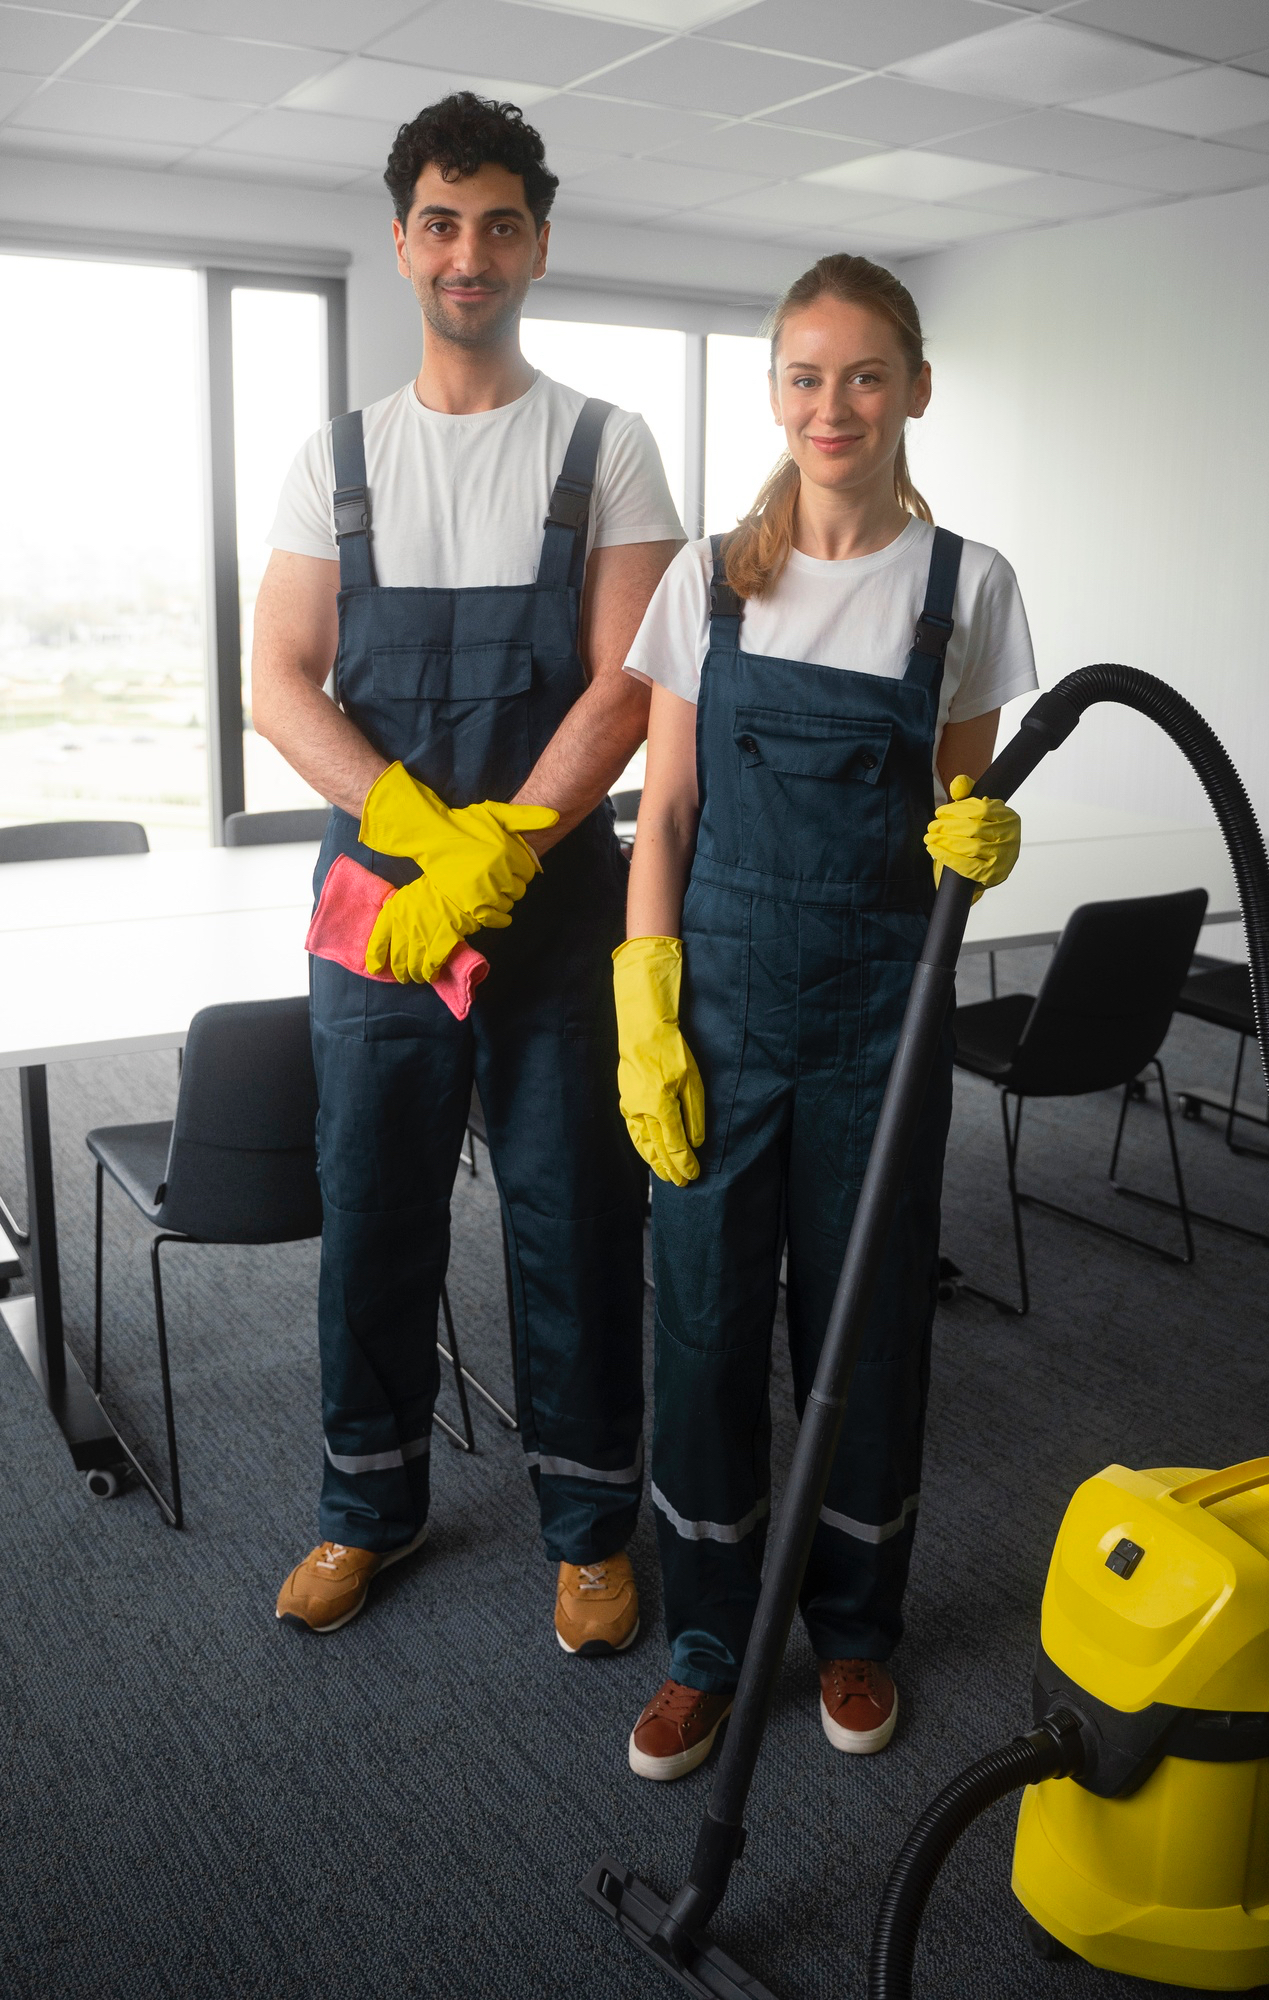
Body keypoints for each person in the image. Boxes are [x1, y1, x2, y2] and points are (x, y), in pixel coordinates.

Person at [251, 93, 683, 1645]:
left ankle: (588, 1527)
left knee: (575, 1217)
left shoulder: (603, 446)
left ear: (538, 244)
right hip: (380, 906)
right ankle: (364, 1507)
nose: (469, 250)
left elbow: (624, 681)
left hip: (556, 907)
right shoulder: (335, 459)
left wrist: (504, 841)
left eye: (499, 221)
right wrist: (426, 835)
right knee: (373, 1206)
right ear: (401, 241)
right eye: (441, 220)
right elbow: (281, 681)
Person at [613, 254, 1037, 1779]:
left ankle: (857, 1629)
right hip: (713, 1007)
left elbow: (954, 813)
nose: (832, 404)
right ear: (773, 393)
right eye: (804, 374)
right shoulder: (707, 579)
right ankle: (710, 1643)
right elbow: (661, 815)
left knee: (858, 1329)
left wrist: (980, 844)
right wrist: (641, 1004)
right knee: (707, 1322)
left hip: (878, 1014)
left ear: (914, 387)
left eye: (864, 373)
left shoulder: (963, 587)